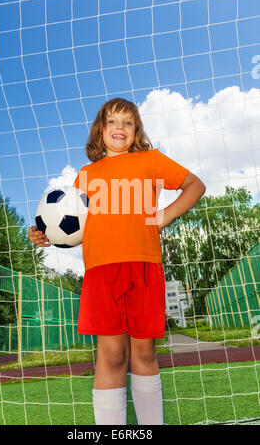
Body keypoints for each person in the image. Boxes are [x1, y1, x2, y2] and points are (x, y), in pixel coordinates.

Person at [28, 97, 206, 425]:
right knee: (110, 355)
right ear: (100, 130)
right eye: (112, 121)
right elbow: (75, 226)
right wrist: (45, 235)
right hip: (101, 271)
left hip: (143, 266)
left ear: (136, 130)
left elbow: (196, 185)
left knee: (143, 354)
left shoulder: (151, 160)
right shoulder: (86, 175)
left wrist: (164, 215)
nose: (120, 128)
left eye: (127, 122)